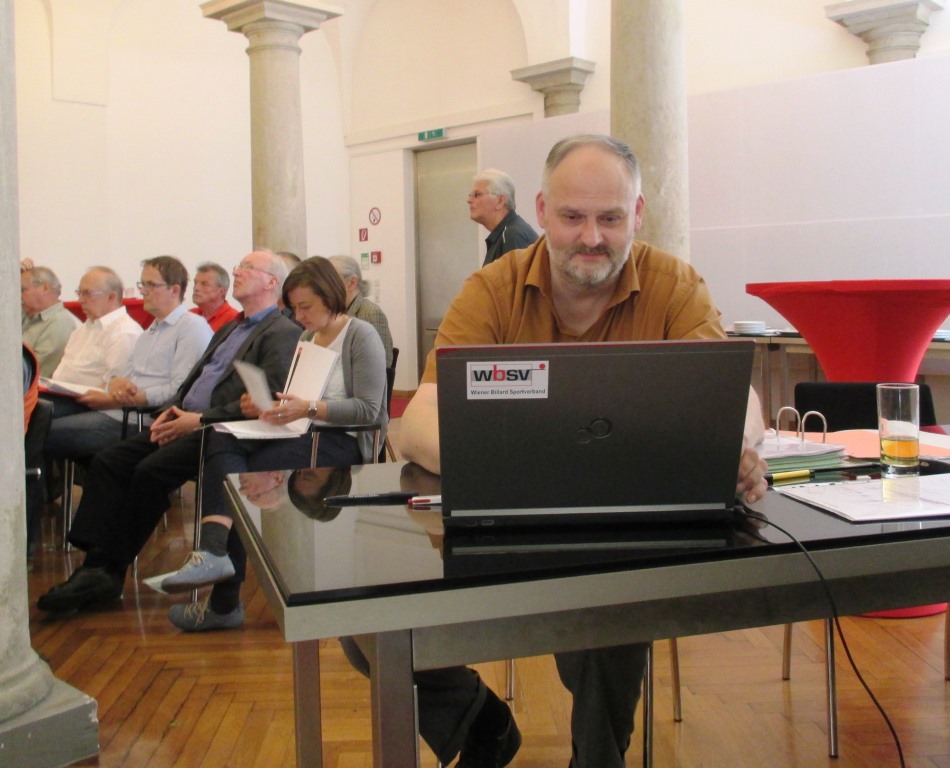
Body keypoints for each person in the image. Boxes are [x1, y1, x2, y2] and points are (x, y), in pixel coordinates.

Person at [395, 135, 768, 768]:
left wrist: (730, 444)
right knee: (363, 630)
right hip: (506, 527)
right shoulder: (492, 289)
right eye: (572, 216)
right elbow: (418, 420)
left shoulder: (675, 284)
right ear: (542, 210)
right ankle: (480, 719)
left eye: (610, 218)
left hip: (628, 536)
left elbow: (739, 399)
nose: (591, 237)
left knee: (608, 607)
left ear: (638, 214)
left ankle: (597, 759)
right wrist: (528, 465)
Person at [36, 250, 301, 615]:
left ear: (271, 281)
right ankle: (97, 562)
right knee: (110, 460)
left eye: (247, 268)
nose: (236, 271)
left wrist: (198, 419)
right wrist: (171, 410)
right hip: (182, 418)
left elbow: (262, 398)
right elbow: (194, 380)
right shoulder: (231, 327)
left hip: (219, 429)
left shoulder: (282, 332)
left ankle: (107, 569)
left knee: (149, 470)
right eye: (238, 266)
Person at [160, 256, 388, 631]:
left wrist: (307, 408)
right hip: (303, 430)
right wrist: (268, 407)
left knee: (241, 474)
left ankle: (223, 598)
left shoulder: (360, 335)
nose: (298, 316)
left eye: (305, 306)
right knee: (221, 435)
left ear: (330, 296)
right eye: (294, 307)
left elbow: (370, 411)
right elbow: (297, 399)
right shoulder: (307, 337)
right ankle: (213, 549)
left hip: (342, 440)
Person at [43, 256, 213, 462]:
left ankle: (33, 483)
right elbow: (125, 376)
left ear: (174, 290)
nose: (143, 291)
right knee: (39, 420)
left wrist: (124, 398)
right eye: (142, 284)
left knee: (43, 432)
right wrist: (118, 383)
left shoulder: (192, 327)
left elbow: (180, 389)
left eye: (151, 285)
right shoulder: (149, 331)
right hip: (123, 411)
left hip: (145, 418)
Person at [45, 266, 143, 419]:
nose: (80, 300)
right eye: (79, 293)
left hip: (94, 407)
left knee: (32, 419)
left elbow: (116, 388)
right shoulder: (84, 329)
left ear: (111, 297)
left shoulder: (124, 332)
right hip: (61, 396)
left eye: (87, 294)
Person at [329, 254, 395, 367]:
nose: (324, 288)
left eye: (331, 281)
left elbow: (383, 363)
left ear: (351, 283)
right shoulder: (332, 313)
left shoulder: (371, 313)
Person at [468, 168, 539, 267]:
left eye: (477, 194)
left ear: (500, 201)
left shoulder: (512, 235)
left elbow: (517, 276)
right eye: (470, 195)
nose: (469, 200)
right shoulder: (506, 234)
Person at [21, 264, 80, 376]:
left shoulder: (60, 323)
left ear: (45, 288)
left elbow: (29, 372)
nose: (18, 295)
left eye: (22, 290)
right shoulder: (25, 313)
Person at [190, 262, 240, 332]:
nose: (196, 288)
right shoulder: (190, 314)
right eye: (195, 283)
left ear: (221, 291)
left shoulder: (234, 320)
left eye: (204, 284)